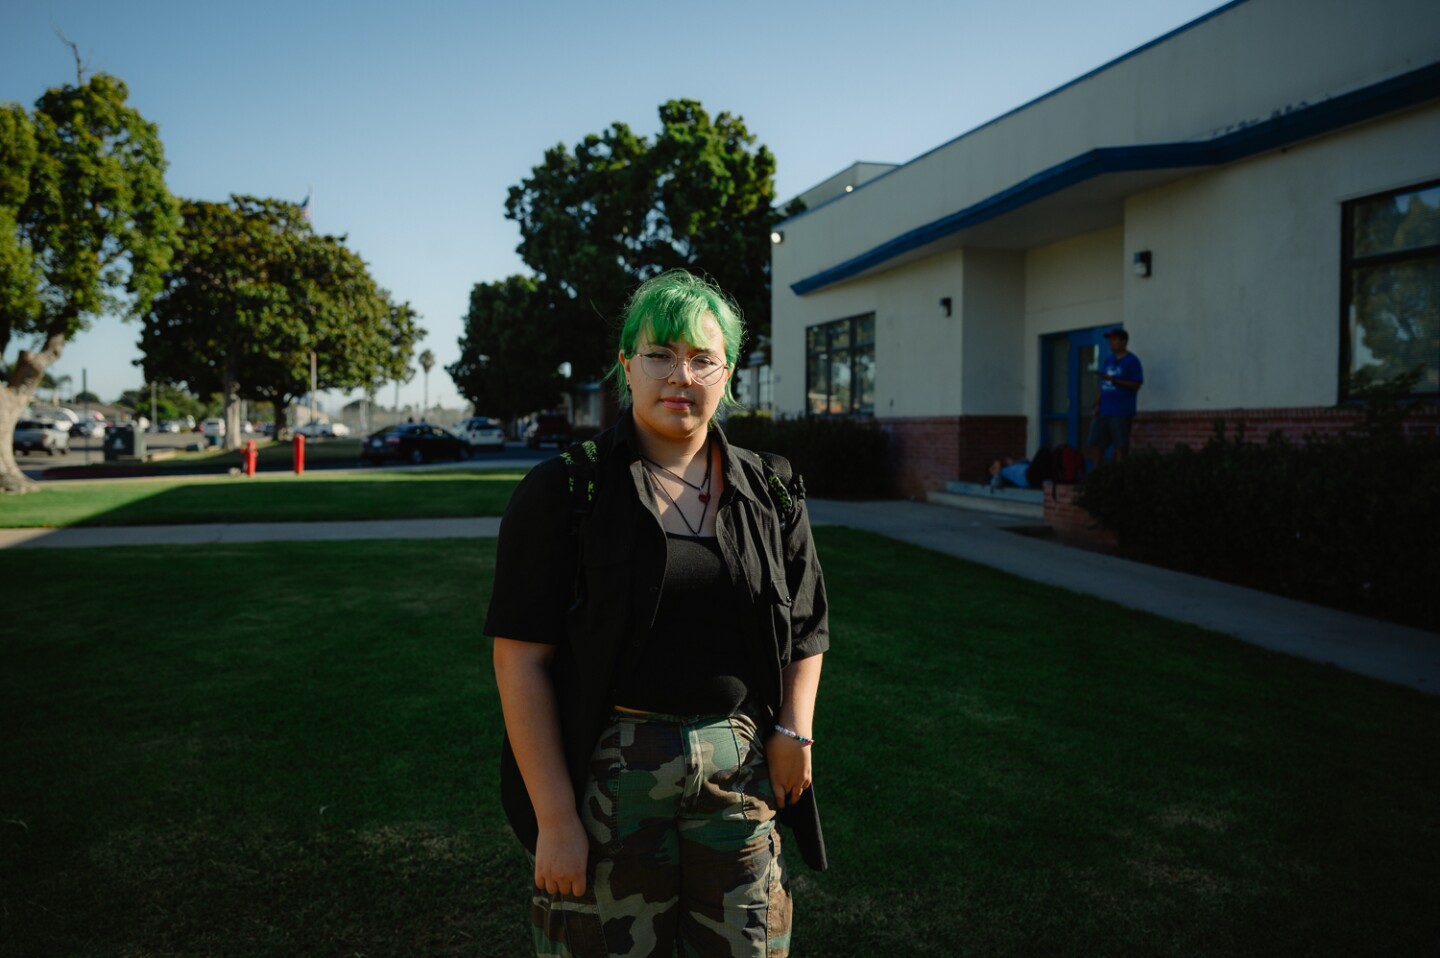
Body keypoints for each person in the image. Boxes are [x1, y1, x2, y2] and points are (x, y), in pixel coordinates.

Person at [487, 269, 829, 958]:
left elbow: (804, 622)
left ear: (727, 372)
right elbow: (520, 660)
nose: (681, 375)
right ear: (625, 365)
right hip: (612, 776)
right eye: (660, 355)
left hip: (740, 773)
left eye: (703, 359)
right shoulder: (567, 490)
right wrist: (556, 820)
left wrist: (795, 730)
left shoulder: (772, 487)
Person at [1087, 328, 1144, 466]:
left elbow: (1136, 384)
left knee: (1120, 446)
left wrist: (1114, 380)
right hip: (1103, 411)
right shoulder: (1108, 360)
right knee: (1095, 443)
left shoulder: (1132, 361)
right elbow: (1103, 385)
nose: (1111, 343)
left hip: (1121, 412)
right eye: (1110, 340)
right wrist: (1097, 404)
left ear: (1123, 341)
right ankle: (1098, 476)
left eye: (1114, 339)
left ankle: (1118, 478)